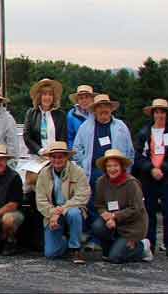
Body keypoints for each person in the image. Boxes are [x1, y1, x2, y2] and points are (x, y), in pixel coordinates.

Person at [72, 94, 134, 251]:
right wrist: (84, 163)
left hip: (115, 174)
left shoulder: (121, 126)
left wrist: (127, 172)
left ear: (111, 108)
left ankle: (116, 237)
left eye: (106, 106)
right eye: (99, 107)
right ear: (95, 110)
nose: (103, 110)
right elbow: (77, 149)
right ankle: (96, 239)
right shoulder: (86, 126)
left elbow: (130, 151)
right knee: (94, 206)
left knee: (117, 206)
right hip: (93, 173)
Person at [135, 99, 168, 256]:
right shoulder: (144, 132)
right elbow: (139, 156)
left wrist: (162, 169)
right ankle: (150, 244)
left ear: (167, 114)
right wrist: (151, 169)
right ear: (152, 114)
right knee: (149, 212)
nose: (160, 115)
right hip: (149, 178)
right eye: (157, 112)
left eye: (163, 112)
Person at [92, 149, 153, 264]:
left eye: (115, 165)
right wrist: (106, 215)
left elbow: (136, 209)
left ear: (122, 166)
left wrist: (115, 216)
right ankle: (111, 247)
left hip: (132, 226)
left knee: (115, 258)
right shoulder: (101, 182)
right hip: (112, 222)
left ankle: (142, 247)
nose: (112, 169)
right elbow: (99, 204)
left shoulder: (132, 183)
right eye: (109, 166)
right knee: (97, 226)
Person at [35, 142, 90, 263]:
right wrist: (53, 213)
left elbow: (82, 196)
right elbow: (40, 201)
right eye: (53, 157)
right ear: (49, 158)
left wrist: (61, 210)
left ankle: (75, 248)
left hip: (71, 209)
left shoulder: (78, 171)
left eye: (60, 157)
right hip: (52, 214)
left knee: (74, 213)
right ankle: (65, 241)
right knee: (51, 253)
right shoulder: (43, 174)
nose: (57, 160)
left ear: (67, 157)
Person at [24, 79, 68, 155]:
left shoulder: (61, 115)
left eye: (50, 94)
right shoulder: (31, 113)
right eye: (44, 94)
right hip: (36, 156)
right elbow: (27, 137)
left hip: (56, 157)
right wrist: (40, 151)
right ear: (39, 96)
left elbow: (63, 138)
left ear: (54, 97)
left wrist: (55, 153)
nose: (47, 97)